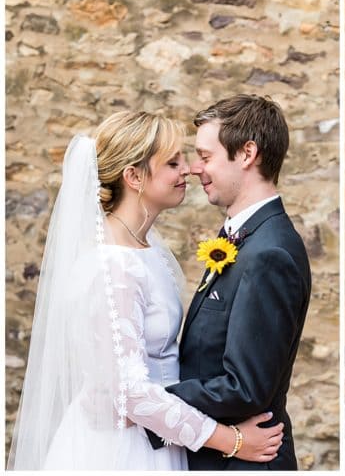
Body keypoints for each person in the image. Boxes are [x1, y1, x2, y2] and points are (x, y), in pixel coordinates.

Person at [7, 111, 283, 469]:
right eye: (172, 162)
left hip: (159, 437)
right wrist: (231, 440)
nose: (188, 170)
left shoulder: (145, 248)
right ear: (134, 176)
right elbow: (129, 392)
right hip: (122, 450)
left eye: (186, 159)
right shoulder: (113, 265)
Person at [141, 95, 312, 469]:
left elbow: (245, 386)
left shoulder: (269, 253)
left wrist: (150, 404)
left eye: (205, 156)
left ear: (247, 153)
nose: (194, 170)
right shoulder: (242, 236)